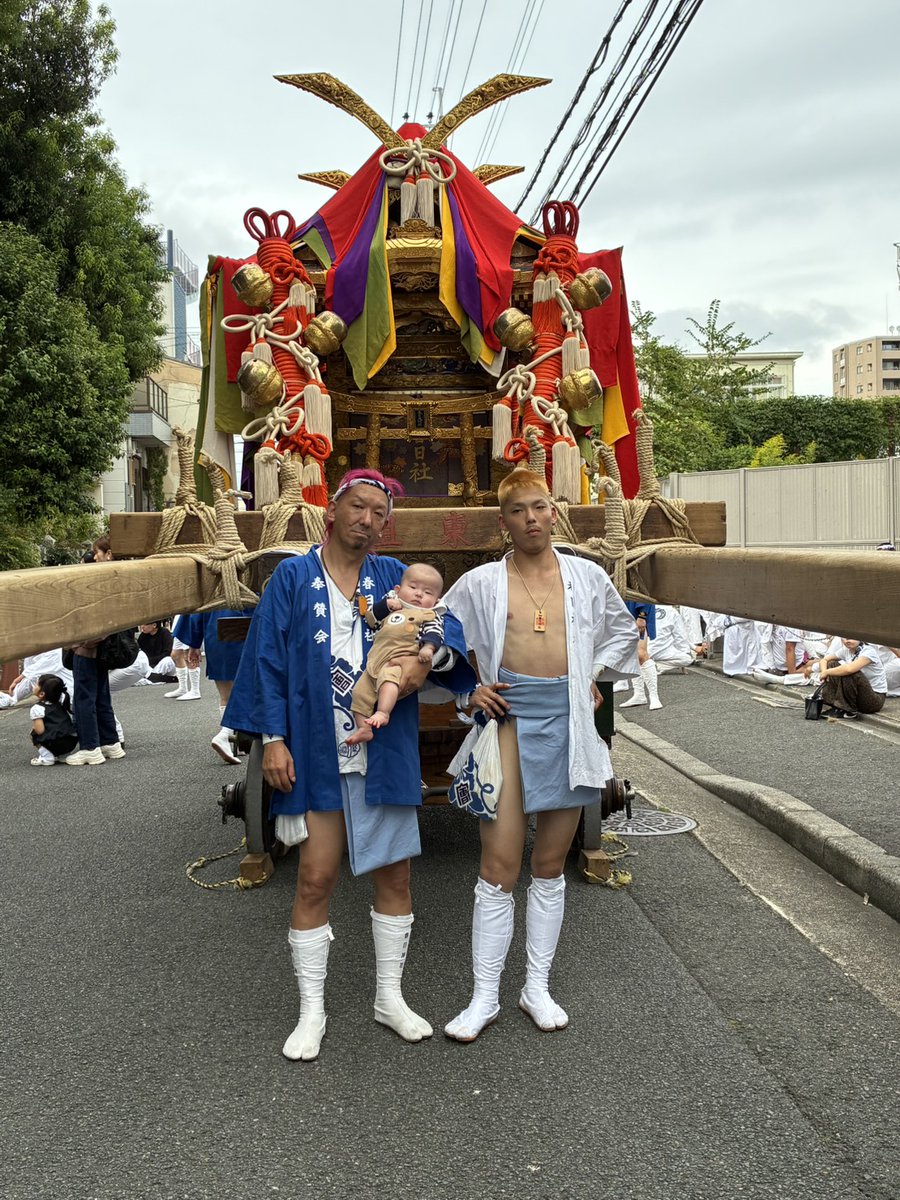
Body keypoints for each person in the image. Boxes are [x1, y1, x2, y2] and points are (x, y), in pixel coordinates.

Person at [224, 469, 475, 1062]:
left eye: (378, 513)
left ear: (386, 524)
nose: (366, 519)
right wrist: (273, 739)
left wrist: (428, 662)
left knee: (395, 875)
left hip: (381, 747)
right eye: (357, 507)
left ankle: (390, 997)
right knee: (315, 875)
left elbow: (448, 623)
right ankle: (312, 1008)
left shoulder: (396, 578)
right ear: (333, 509)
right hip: (313, 747)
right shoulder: (293, 575)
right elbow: (265, 659)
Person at [441, 467, 638, 1042]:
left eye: (540, 506)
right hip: (509, 718)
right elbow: (438, 638)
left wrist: (591, 674)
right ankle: (483, 997)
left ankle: (536, 987)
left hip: (571, 724)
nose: (532, 517)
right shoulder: (480, 582)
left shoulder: (586, 575)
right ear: (503, 522)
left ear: (555, 512)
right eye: (519, 509)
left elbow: (623, 632)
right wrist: (466, 689)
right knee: (499, 865)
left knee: (549, 865)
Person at [346, 563, 445, 744]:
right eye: (413, 587)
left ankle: (383, 712)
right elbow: (371, 620)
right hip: (375, 661)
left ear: (437, 601)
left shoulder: (429, 614)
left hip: (398, 661)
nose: (418, 594)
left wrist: (427, 648)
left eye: (428, 593)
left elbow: (435, 633)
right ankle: (363, 727)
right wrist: (386, 605)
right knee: (360, 693)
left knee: (388, 680)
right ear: (397, 589)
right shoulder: (392, 605)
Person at [172, 609, 252, 764]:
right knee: (251, 690)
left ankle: (234, 739)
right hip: (249, 623)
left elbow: (197, 607)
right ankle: (230, 735)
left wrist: (194, 643)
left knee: (226, 696)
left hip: (218, 627)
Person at [819, 639, 888, 719]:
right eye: (844, 638)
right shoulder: (846, 650)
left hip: (874, 699)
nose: (846, 641)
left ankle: (848, 711)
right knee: (832, 664)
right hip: (858, 696)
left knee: (851, 672)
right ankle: (832, 702)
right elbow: (824, 660)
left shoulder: (869, 651)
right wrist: (824, 672)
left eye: (850, 638)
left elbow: (849, 669)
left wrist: (827, 672)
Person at [619, 605, 663, 710]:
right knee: (633, 654)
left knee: (641, 654)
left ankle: (654, 696)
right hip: (625, 611)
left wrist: (642, 616)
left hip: (638, 611)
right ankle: (639, 694)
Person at [29, 674, 78, 765]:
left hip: (54, 743)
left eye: (36, 684)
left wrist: (34, 729)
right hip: (71, 741)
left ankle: (47, 757)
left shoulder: (37, 708)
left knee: (33, 735)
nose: (34, 686)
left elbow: (40, 730)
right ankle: (64, 755)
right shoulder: (60, 702)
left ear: (42, 694)